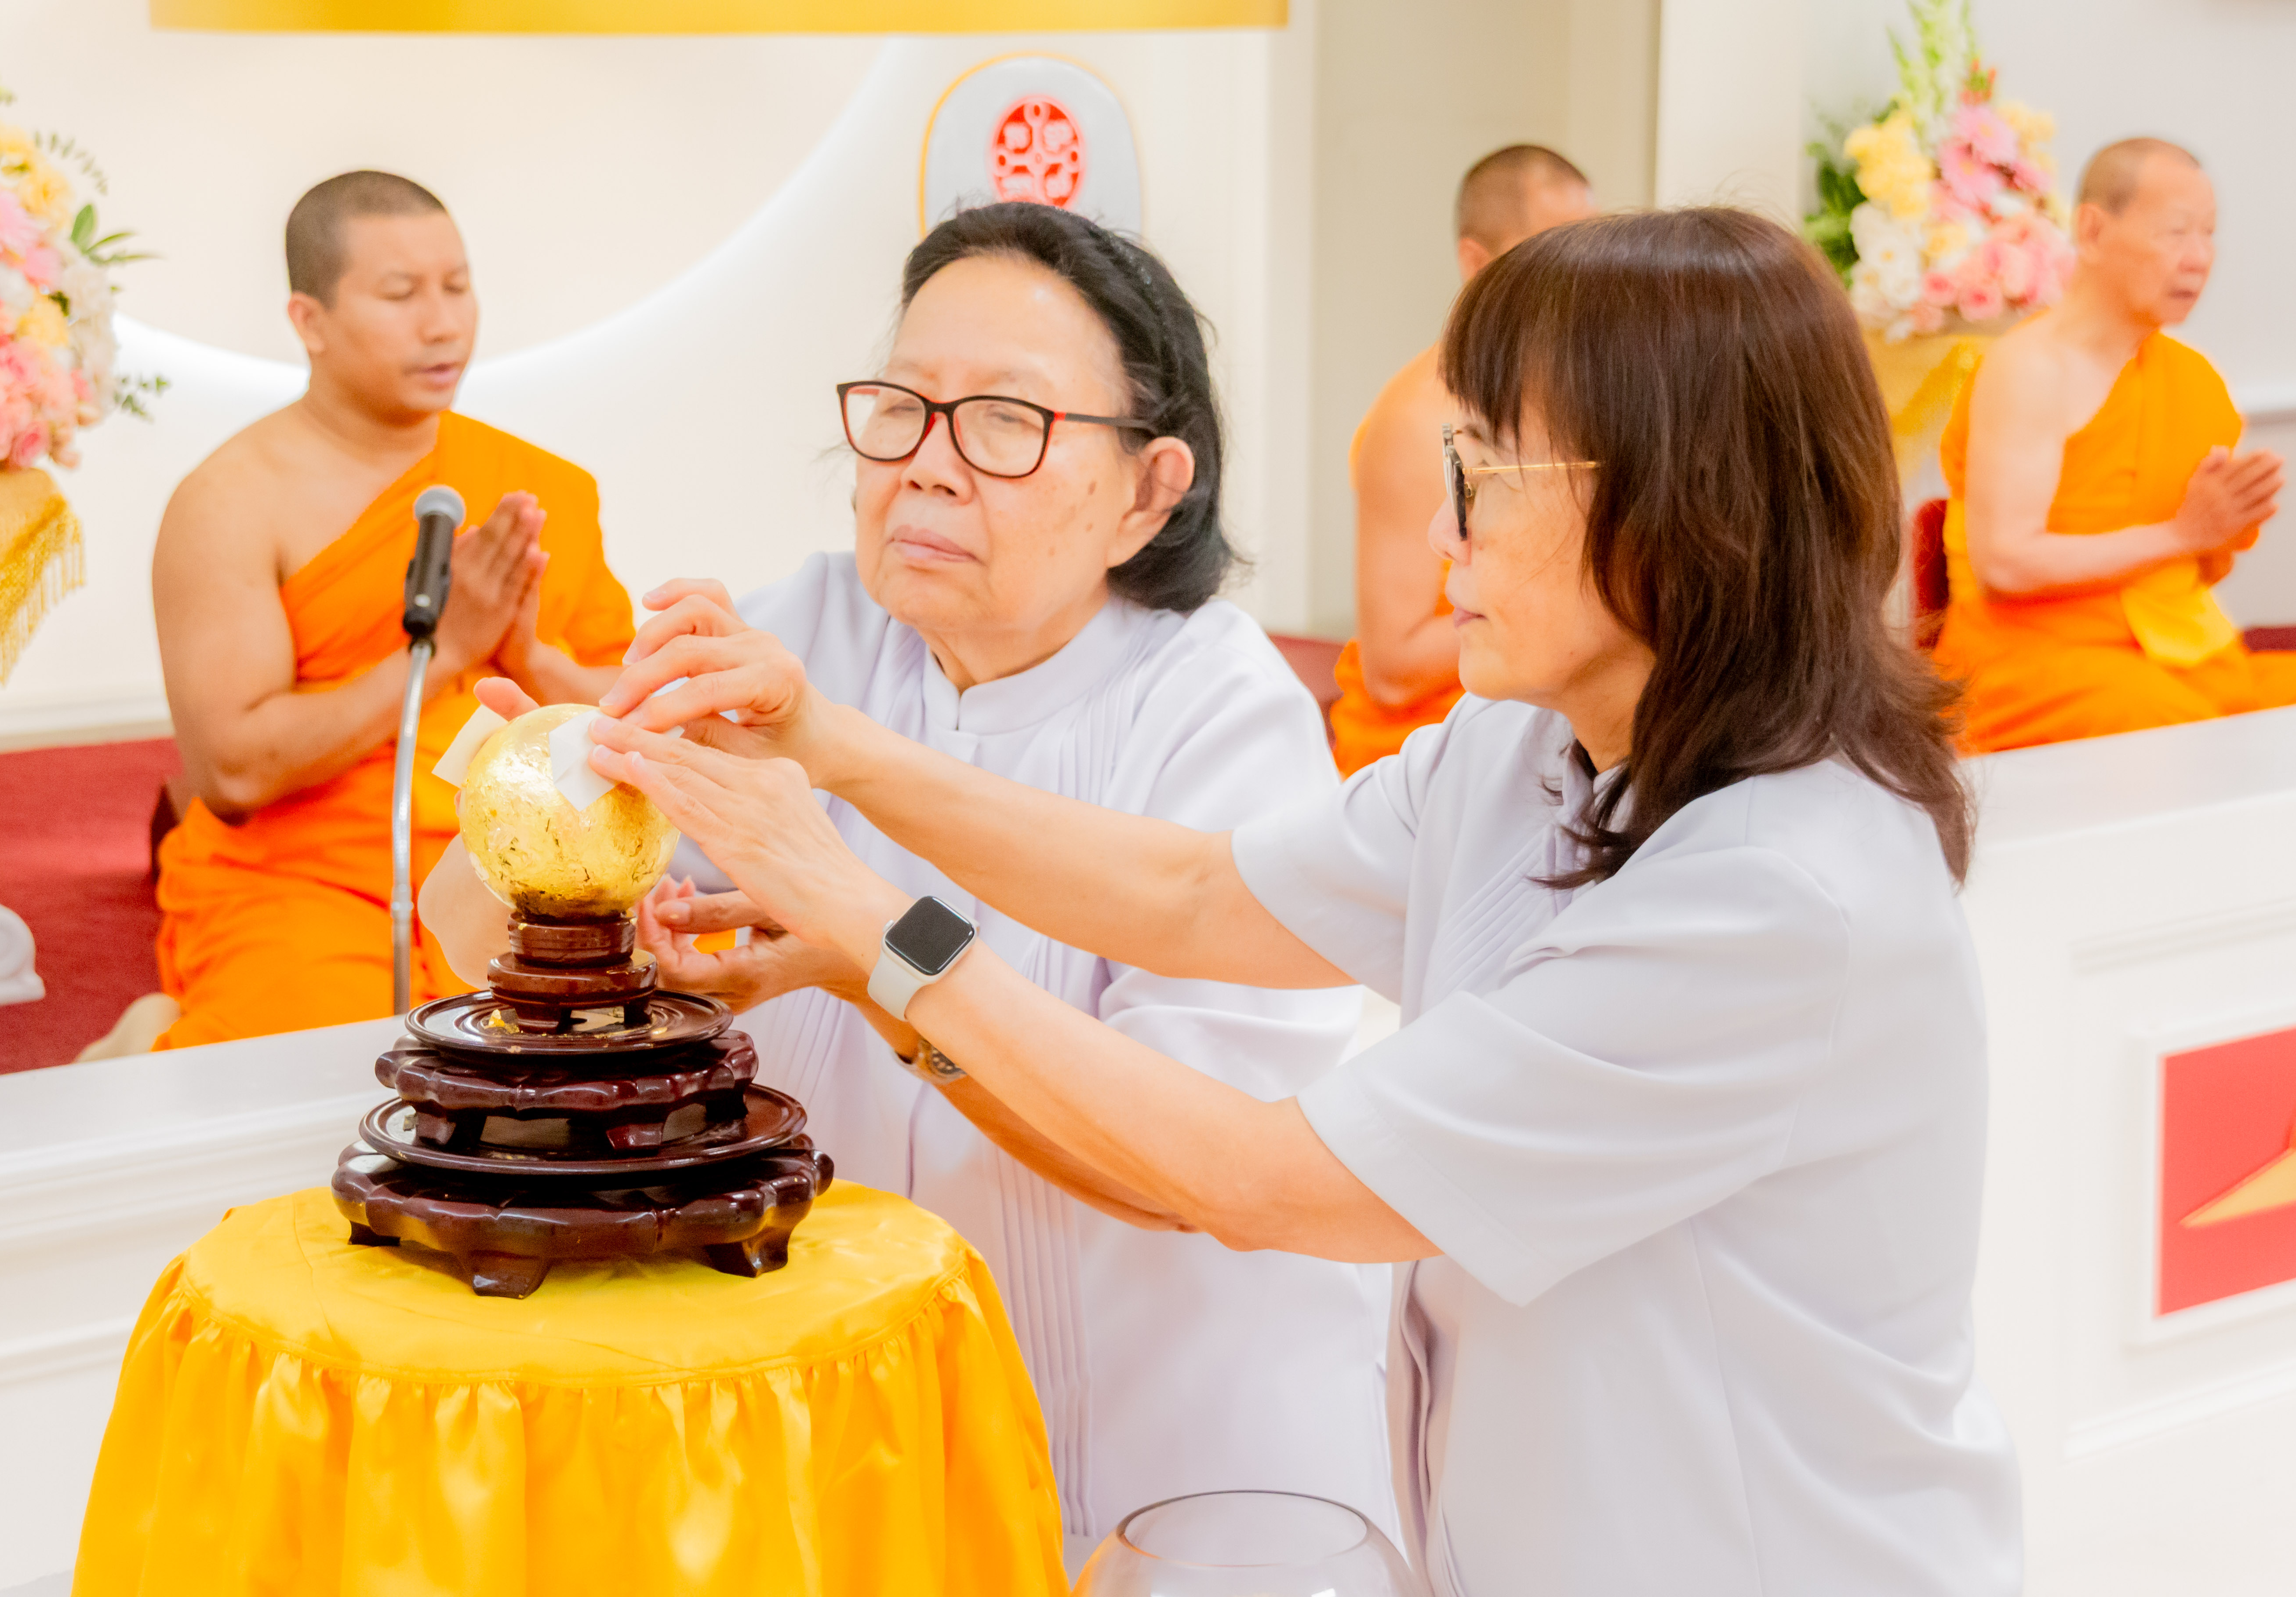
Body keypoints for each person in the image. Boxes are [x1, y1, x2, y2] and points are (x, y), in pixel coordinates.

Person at [573, 209, 2023, 1596]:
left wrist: (860, 917)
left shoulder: (1777, 897)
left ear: (1682, 511)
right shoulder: (1524, 748)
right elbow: (1196, 890)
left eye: (1486, 474)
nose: (1435, 533)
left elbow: (1255, 1178)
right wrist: (834, 751)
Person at [421, 204, 1390, 1549]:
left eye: (1006, 422)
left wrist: (869, 965)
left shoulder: (1225, 716)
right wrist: (572, 778)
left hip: (1162, 1460)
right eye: (903, 409)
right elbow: (469, 939)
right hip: (856, 1425)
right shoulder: (812, 626)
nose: (926, 469)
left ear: (1149, 490)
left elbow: (1179, 1165)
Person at [145, 171, 631, 1051]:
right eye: (401, 294)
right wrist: (444, 652)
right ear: (310, 321)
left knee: (669, 1037)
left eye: (457, 286)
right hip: (306, 879)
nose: (442, 323)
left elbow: (627, 706)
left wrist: (529, 659)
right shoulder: (231, 503)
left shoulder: (538, 489)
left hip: (528, 869)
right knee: (308, 1073)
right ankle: (146, 1036)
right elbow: (237, 771)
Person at [1933, 137, 2292, 751]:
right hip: (2032, 661)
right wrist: (2183, 534)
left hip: (2166, 649)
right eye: (2176, 233)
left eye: (2209, 234)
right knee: (2183, 742)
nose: (2199, 258)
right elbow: (2005, 565)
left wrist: (2219, 524)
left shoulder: (2190, 377)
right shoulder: (2030, 370)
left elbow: (2198, 562)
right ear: (2095, 231)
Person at [1328, 144, 1596, 776]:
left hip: (1534, 743)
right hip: (1424, 769)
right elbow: (1393, 668)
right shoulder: (1421, 418)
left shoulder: (1567, 394)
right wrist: (1576, 614)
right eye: (1555, 255)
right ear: (1479, 264)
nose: (1587, 279)